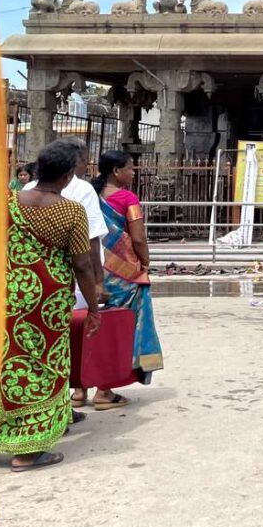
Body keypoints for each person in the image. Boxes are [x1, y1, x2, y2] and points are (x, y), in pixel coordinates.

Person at [0, 141, 100, 470]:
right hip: (49, 300)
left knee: (4, 361)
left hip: (8, 293)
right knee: (44, 365)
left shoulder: (9, 202)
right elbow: (82, 264)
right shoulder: (71, 211)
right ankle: (28, 450)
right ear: (69, 176)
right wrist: (95, 307)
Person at [91, 150, 165, 406]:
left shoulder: (91, 195)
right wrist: (144, 263)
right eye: (131, 168)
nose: (134, 173)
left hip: (93, 271)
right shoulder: (127, 198)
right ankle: (104, 389)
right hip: (124, 276)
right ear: (116, 171)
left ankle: (79, 391)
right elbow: (138, 238)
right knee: (120, 330)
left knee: (91, 326)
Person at [23, 138, 107, 312]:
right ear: (67, 175)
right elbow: (84, 258)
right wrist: (97, 287)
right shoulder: (74, 206)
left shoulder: (15, 199)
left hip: (20, 287)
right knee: (58, 338)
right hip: (57, 292)